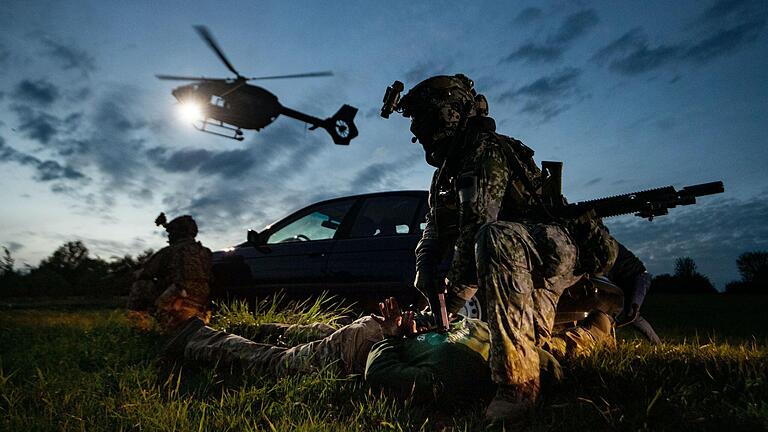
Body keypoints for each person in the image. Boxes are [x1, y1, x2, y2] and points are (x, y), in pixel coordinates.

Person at [384, 74, 619, 423]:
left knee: (494, 239)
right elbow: (435, 225)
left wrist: (448, 305)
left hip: (548, 250)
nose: (419, 133)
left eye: (425, 120)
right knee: (530, 343)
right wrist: (426, 269)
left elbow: (479, 224)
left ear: (451, 113)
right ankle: (596, 332)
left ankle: (518, 384)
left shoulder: (486, 150)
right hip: (513, 258)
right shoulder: (446, 172)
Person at [127, 213, 212, 333]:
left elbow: (145, 273)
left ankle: (140, 328)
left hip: (178, 300)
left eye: (170, 232)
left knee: (140, 285)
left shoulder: (169, 251)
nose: (169, 236)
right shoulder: (206, 252)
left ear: (177, 233)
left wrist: (134, 272)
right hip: (202, 305)